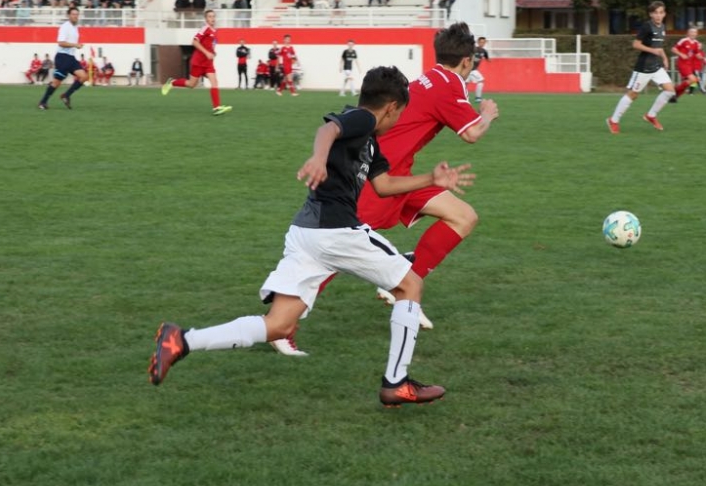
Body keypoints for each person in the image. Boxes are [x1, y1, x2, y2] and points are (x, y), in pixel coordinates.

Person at [148, 66, 474, 408]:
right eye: (400, 114)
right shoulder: (362, 119)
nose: (399, 121)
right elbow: (328, 129)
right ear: (391, 107)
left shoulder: (369, 141)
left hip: (307, 234)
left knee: (278, 324)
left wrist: (430, 179)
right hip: (336, 232)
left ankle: (181, 340)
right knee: (410, 285)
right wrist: (318, 159)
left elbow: (384, 185)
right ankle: (397, 383)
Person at [273, 23, 499, 355]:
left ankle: (405, 281)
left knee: (463, 216)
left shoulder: (430, 76)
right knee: (334, 250)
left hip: (402, 173)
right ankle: (282, 324)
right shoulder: (450, 83)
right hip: (378, 176)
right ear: (467, 61)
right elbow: (471, 134)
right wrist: (488, 114)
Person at [606, 0, 675, 134]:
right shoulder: (647, 27)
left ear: (664, 14)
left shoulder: (662, 27)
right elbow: (636, 44)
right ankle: (613, 120)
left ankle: (651, 115)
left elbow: (659, 47)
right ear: (651, 14)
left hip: (656, 66)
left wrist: (664, 58)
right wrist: (652, 50)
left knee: (670, 91)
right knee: (633, 95)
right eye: (655, 13)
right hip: (643, 67)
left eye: (661, 12)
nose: (658, 15)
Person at [161, 9, 232, 116]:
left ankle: (217, 107)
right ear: (206, 19)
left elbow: (210, 45)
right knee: (192, 84)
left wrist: (213, 52)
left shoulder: (215, 31)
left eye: (213, 16)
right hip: (198, 62)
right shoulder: (205, 28)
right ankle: (172, 82)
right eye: (210, 16)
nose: (212, 18)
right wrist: (207, 53)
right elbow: (194, 42)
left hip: (208, 63)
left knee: (214, 81)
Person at [36, 6, 89, 110]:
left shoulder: (75, 27)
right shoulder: (65, 27)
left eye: (77, 14)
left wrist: (76, 46)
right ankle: (43, 102)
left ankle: (66, 95)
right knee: (57, 82)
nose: (75, 16)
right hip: (62, 57)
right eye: (73, 14)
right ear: (69, 15)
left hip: (71, 58)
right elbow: (61, 43)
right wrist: (75, 45)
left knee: (84, 77)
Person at [670, 26, 706, 102]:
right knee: (693, 79)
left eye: (695, 32)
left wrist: (702, 58)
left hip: (690, 66)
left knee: (689, 82)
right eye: (691, 32)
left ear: (697, 34)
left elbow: (697, 54)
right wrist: (681, 54)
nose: (693, 34)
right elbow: (673, 49)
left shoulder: (696, 43)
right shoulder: (684, 40)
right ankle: (673, 91)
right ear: (688, 33)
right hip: (683, 64)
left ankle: (675, 96)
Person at [466, 36, 489, 102]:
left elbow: (487, 58)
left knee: (465, 83)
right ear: (478, 42)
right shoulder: (474, 49)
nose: (482, 43)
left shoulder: (484, 51)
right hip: (471, 69)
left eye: (483, 42)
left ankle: (462, 97)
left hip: (471, 70)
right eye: (480, 42)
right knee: (480, 80)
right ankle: (478, 97)